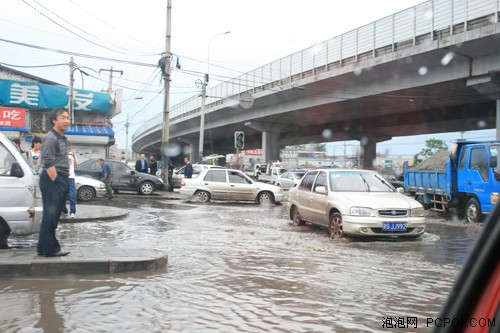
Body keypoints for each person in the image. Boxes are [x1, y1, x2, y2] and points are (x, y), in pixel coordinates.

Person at [37, 109, 70, 257]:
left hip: (60, 177)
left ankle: (42, 248)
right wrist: (57, 181)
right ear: (54, 120)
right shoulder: (51, 138)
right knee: (50, 216)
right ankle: (50, 249)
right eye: (63, 118)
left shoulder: (62, 137)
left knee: (53, 216)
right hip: (53, 179)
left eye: (68, 118)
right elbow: (48, 162)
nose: (67, 121)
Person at [61, 141, 78, 218]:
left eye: (70, 148)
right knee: (62, 195)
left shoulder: (73, 154)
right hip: (63, 177)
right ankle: (64, 210)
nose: (69, 149)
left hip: (71, 177)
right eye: (68, 148)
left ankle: (72, 211)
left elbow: (76, 166)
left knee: (72, 195)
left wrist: (73, 156)